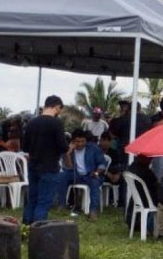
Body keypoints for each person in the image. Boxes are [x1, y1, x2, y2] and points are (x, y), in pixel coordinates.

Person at [22, 95, 68, 225]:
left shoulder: (32, 123)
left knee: (32, 200)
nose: (59, 112)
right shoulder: (57, 123)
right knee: (44, 201)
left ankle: (25, 228)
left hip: (33, 165)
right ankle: (38, 230)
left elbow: (25, 146)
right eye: (59, 109)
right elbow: (62, 146)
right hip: (50, 167)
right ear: (56, 106)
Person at [61, 128, 108, 220]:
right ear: (73, 141)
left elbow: (102, 164)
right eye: (77, 141)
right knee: (62, 176)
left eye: (83, 141)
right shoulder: (69, 149)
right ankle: (62, 205)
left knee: (95, 182)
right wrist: (68, 153)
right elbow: (69, 167)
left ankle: (93, 211)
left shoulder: (93, 148)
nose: (80, 144)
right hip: (76, 175)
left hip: (90, 174)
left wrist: (97, 172)